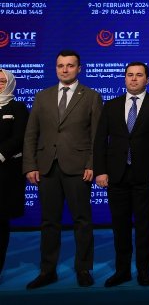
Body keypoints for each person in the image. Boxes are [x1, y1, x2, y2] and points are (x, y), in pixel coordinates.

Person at [23, 50, 103, 289]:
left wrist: (92, 164)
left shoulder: (91, 96)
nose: (65, 69)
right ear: (56, 68)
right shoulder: (42, 96)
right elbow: (31, 134)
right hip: (46, 167)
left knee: (82, 220)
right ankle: (47, 270)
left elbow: (97, 136)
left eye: (70, 65)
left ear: (79, 68)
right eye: (60, 65)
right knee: (49, 221)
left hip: (78, 168)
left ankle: (83, 268)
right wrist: (30, 165)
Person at [94, 62, 149, 287]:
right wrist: (100, 171)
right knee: (120, 227)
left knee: (145, 226)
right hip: (116, 176)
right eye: (130, 75)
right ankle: (122, 271)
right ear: (125, 78)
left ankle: (144, 271)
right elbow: (100, 141)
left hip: (146, 177)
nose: (134, 79)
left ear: (147, 80)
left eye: (139, 75)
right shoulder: (111, 105)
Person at [0, 69, 29, 279]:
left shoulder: (18, 108)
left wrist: (1, 154)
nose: (0, 84)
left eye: (3, 81)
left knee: (0, 222)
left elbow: (20, 137)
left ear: (10, 83)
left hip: (6, 174)